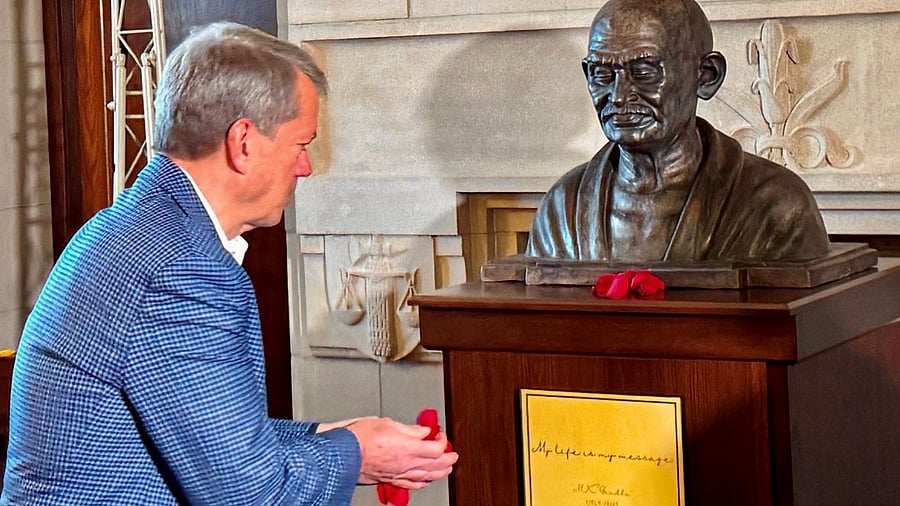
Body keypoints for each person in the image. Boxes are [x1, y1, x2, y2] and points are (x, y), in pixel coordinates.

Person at [1, 22, 457, 505]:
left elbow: (206, 439)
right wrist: (357, 454)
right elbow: (248, 496)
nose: (305, 168)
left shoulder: (136, 228)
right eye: (301, 144)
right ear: (244, 142)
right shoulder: (182, 268)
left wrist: (334, 436)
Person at [525, 0, 830, 263]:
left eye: (644, 72)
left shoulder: (774, 204)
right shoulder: (562, 209)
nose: (617, 96)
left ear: (707, 76)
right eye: (602, 75)